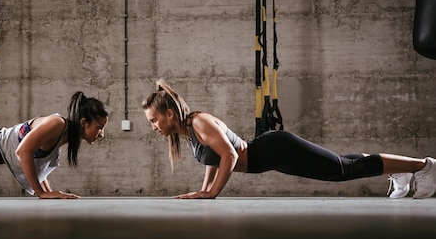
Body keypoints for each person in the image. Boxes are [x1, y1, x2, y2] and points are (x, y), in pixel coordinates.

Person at [141, 79, 436, 199]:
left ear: (169, 114)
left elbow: (229, 156)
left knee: (343, 171)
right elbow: (214, 157)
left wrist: (211, 194)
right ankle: (398, 169)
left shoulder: (199, 122)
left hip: (276, 149)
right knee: (343, 165)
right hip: (274, 156)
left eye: (154, 119)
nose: (153, 126)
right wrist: (202, 191)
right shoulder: (190, 133)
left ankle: (423, 166)